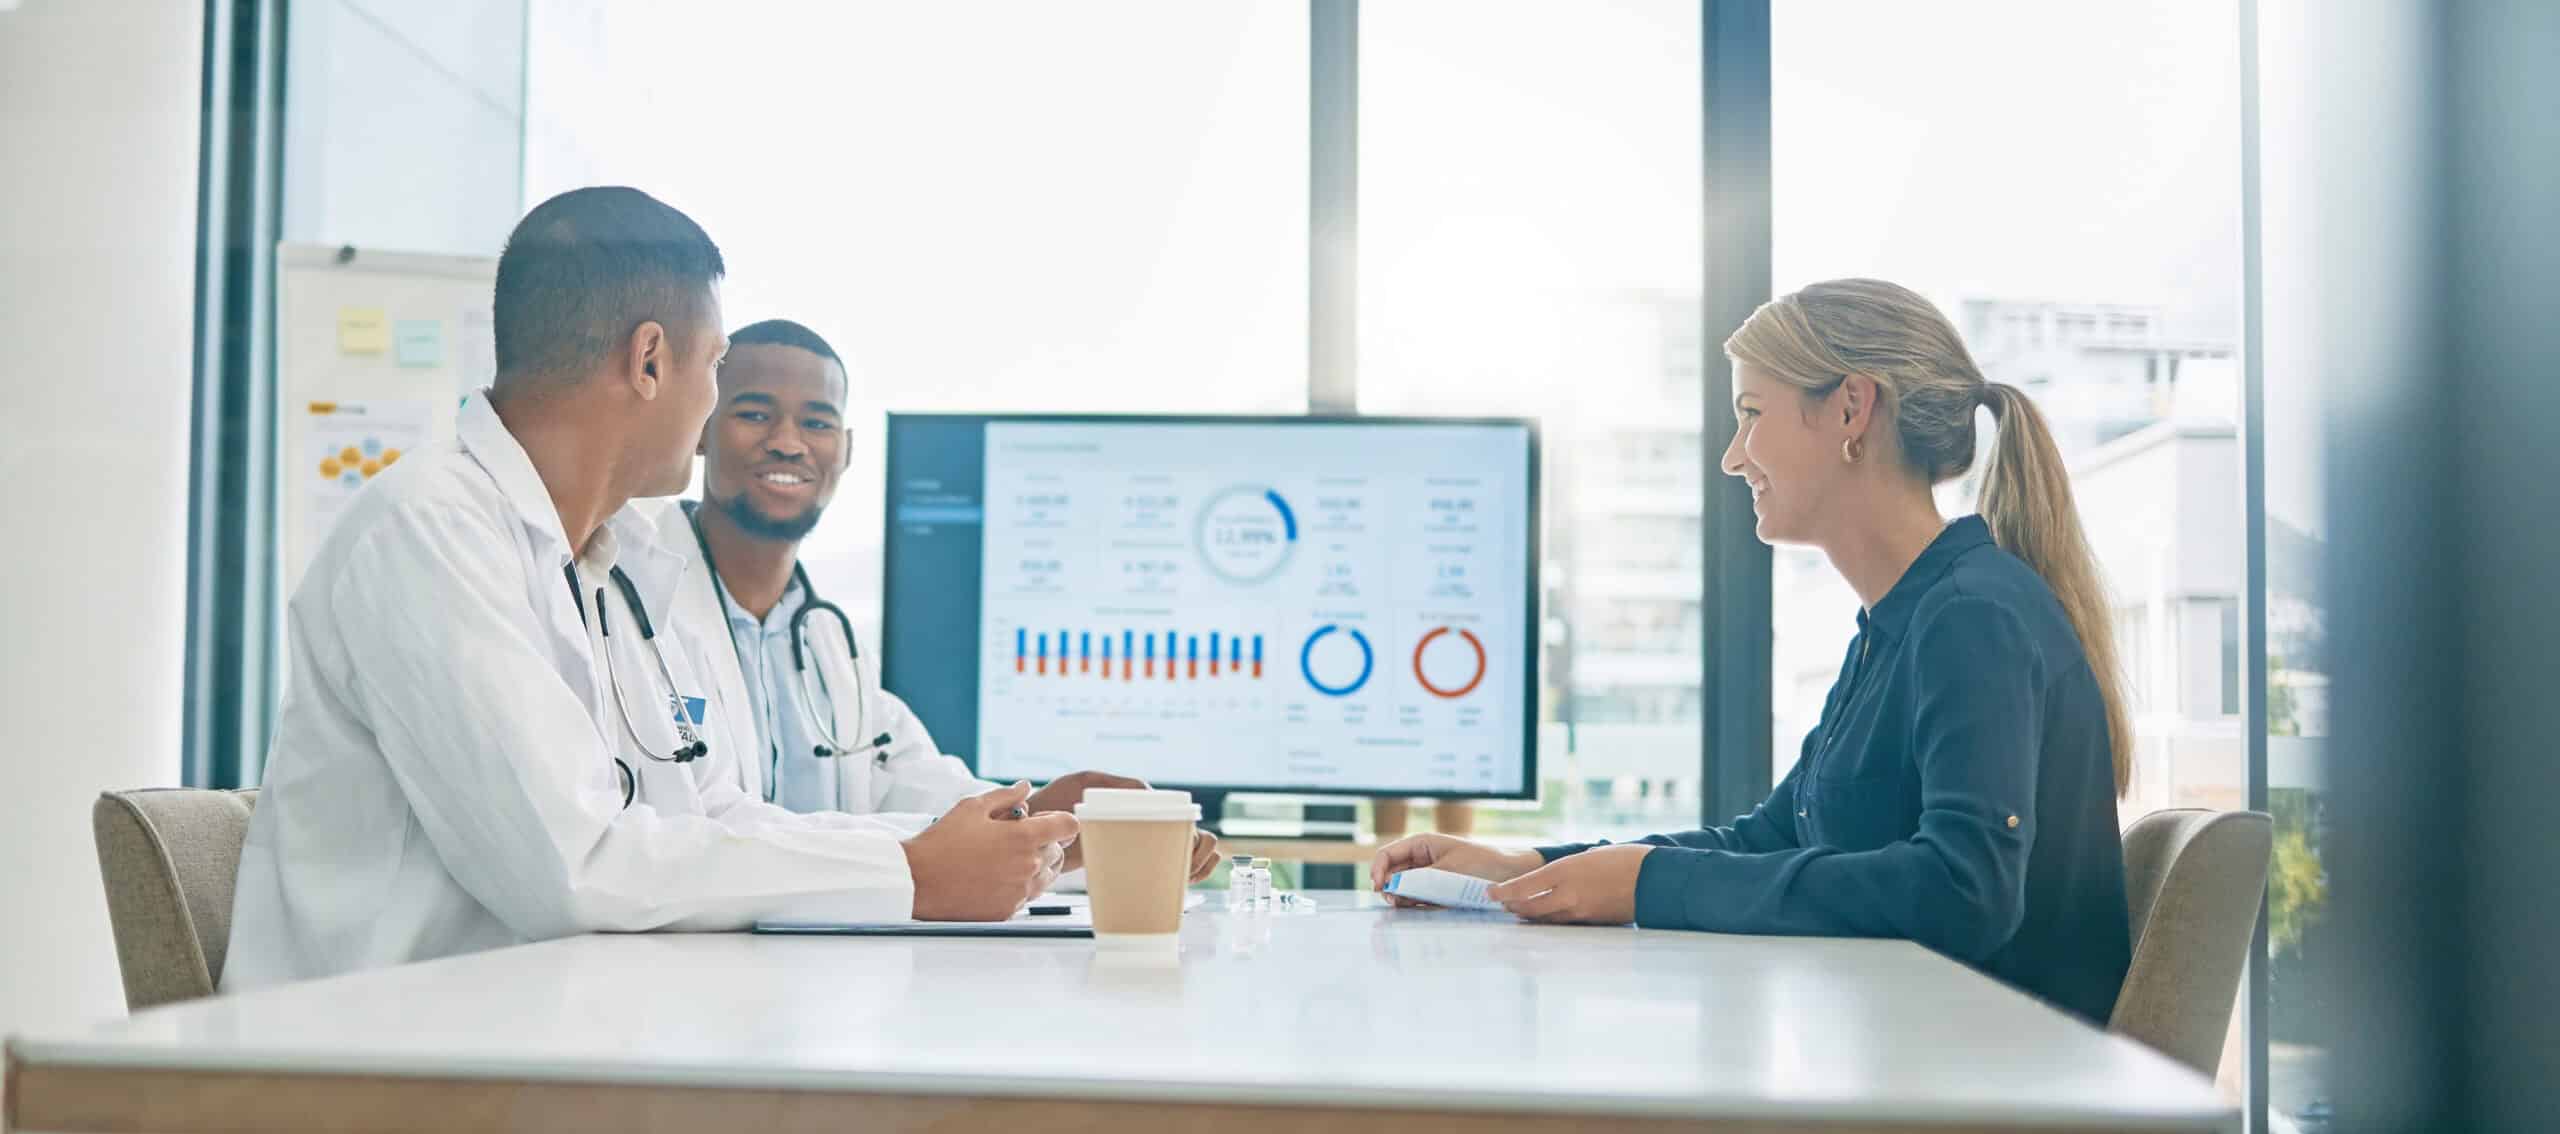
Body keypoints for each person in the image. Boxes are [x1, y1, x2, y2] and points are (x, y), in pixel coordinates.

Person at [225, 187, 1079, 993]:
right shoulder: (426, 533)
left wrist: (960, 847)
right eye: (715, 368)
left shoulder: (604, 565)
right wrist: (912, 873)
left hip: (557, 1049)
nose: (711, 407)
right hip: (389, 1092)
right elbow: (573, 866)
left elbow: (717, 814)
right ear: (648, 360)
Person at [1373, 278, 2135, 1026]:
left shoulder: (1973, 617)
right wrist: (1530, 868)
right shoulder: (1902, 623)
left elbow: (1963, 889)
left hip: (2000, 1102)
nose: (1733, 457)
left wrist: (1647, 883)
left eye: (1751, 414)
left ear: (1850, 408)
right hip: (1929, 1067)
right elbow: (1772, 836)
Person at [658, 317, 1221, 881]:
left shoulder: (831, 640)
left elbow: (910, 781)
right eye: (755, 414)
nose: (787, 442)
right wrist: (942, 850)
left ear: (846, 449)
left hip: (827, 952)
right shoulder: (641, 607)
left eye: (817, 422)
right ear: (701, 429)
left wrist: (1045, 816)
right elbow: (709, 824)